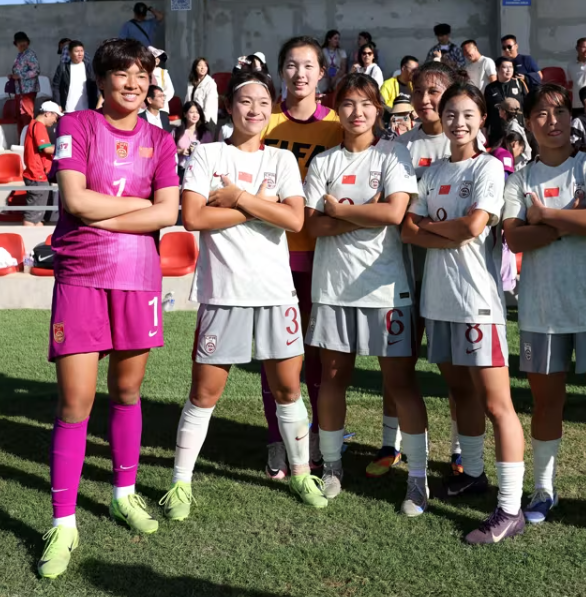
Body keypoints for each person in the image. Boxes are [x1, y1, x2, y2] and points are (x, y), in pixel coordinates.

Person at [37, 37, 180, 580]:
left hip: (138, 277)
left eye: (141, 74)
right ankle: (64, 521)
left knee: (126, 391)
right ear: (101, 80)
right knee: (75, 402)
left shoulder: (161, 141)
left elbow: (168, 213)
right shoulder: (76, 127)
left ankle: (123, 492)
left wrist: (115, 214)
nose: (133, 83)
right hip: (81, 276)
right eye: (122, 74)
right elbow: (75, 200)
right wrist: (140, 208)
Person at [159, 65, 328, 520]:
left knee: (288, 389)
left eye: (261, 103)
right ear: (230, 107)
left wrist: (235, 199)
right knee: (205, 393)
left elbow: (295, 221)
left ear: (271, 110)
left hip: (276, 292)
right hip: (224, 291)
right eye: (244, 101)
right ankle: (179, 482)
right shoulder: (207, 154)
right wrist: (264, 209)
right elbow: (193, 218)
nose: (253, 109)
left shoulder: (281, 160)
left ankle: (299, 473)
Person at [502, 83, 586, 529]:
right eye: (541, 114)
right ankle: (544, 489)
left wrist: (545, 217)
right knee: (546, 405)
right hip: (542, 311)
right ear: (528, 122)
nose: (552, 121)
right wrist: (564, 221)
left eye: (560, 112)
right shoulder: (519, 180)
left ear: (572, 118)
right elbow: (514, 237)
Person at [402, 82, 526, 545]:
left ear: (482, 120)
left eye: (467, 113)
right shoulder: (432, 173)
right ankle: (472, 472)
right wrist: (442, 231)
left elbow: (475, 225)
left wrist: (432, 230)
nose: (457, 121)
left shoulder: (488, 166)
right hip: (439, 300)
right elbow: (408, 231)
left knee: (498, 403)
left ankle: (510, 507)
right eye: (450, 112)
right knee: (459, 392)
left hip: (478, 302)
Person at [302, 73, 427, 515]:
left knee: (400, 382)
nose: (357, 112)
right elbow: (312, 225)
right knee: (334, 378)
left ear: (379, 110)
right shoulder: (324, 162)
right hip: (334, 288)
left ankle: (417, 479)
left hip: (386, 289)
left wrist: (340, 209)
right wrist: (359, 213)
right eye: (349, 104)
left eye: (366, 104)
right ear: (338, 109)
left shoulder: (394, 154)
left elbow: (395, 212)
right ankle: (333, 466)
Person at [259, 36, 343, 479]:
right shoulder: (264, 121)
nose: (300, 74)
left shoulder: (338, 125)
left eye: (308, 65)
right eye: (291, 65)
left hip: (326, 257)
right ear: (281, 72)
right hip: (274, 256)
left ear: (321, 72)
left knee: (318, 356)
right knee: (276, 353)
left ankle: (310, 439)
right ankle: (278, 440)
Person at [397, 61, 467, 476]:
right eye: (419, 90)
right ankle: (394, 444)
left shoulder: (466, 144)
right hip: (407, 269)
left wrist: (425, 224)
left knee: (456, 370)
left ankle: (459, 450)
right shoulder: (399, 146)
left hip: (453, 274)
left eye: (435, 91)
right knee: (400, 362)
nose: (426, 99)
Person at [22, 101, 62, 228]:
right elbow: (46, 149)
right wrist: (65, 147)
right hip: (36, 175)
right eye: (55, 116)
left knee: (38, 217)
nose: (55, 121)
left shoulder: (34, 125)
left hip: (37, 174)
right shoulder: (39, 126)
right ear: (47, 114)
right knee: (32, 217)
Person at [484, 57, 525, 146]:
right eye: (505, 67)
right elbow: (487, 110)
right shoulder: (490, 88)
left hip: (516, 130)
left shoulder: (519, 84)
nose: (508, 70)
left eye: (511, 67)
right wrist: (485, 130)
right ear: (497, 69)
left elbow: (527, 105)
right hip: (497, 131)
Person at [173, 100, 216, 178]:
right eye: (191, 112)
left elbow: (210, 154)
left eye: (197, 112)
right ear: (185, 114)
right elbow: (167, 150)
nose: (195, 115)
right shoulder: (177, 132)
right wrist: (180, 151)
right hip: (179, 170)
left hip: (198, 171)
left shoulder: (205, 134)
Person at [55, 41, 99, 114]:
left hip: (87, 109)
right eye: (76, 51)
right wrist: (58, 104)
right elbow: (56, 86)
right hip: (68, 109)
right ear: (70, 53)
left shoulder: (89, 67)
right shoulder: (63, 67)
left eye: (82, 51)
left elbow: (95, 85)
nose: (80, 54)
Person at [11, 31, 40, 138]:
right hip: (20, 90)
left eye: (23, 41)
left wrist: (20, 76)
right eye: (19, 42)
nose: (22, 44)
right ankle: (22, 139)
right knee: (19, 116)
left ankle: (28, 139)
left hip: (28, 90)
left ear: (27, 42)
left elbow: (36, 71)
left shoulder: (30, 54)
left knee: (27, 115)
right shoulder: (20, 55)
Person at [496, 98, 532, 170]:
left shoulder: (513, 128)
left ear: (504, 112)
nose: (498, 110)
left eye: (500, 108)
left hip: (519, 164)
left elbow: (514, 148)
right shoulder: (511, 125)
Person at [186, 57, 219, 125]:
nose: (203, 68)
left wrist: (202, 120)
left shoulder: (210, 83)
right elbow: (187, 101)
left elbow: (209, 105)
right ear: (195, 68)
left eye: (205, 66)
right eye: (200, 65)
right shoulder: (191, 83)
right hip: (193, 119)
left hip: (206, 120)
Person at [147, 47, 174, 113]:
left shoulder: (163, 73)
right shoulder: (143, 72)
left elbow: (170, 91)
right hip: (146, 109)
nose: (157, 60)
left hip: (162, 109)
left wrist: (159, 100)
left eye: (158, 58)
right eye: (155, 58)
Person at [320, 30, 347, 94]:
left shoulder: (342, 52)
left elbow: (343, 69)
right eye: (335, 38)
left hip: (338, 75)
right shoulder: (322, 51)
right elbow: (324, 66)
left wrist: (335, 78)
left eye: (338, 39)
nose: (337, 41)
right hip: (326, 75)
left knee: (341, 84)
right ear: (329, 39)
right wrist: (329, 78)